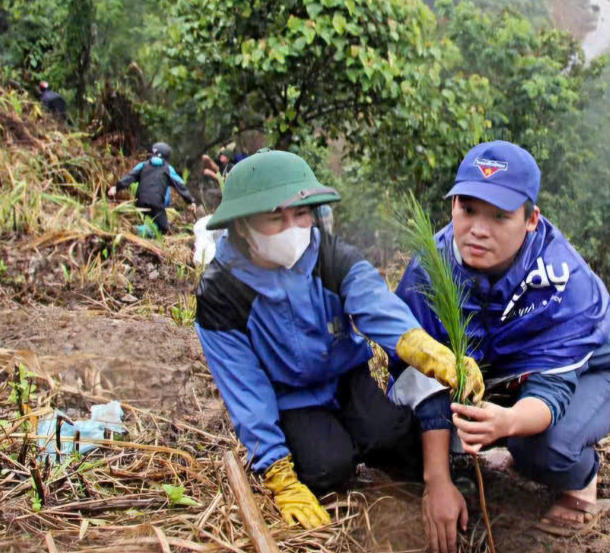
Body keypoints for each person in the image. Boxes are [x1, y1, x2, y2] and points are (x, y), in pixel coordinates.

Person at [194, 150, 483, 529]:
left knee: (389, 434)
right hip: (288, 397)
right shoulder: (221, 294)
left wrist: (430, 352)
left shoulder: (330, 258)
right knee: (328, 468)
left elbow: (377, 306)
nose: (293, 228)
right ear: (242, 225)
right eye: (275, 218)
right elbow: (245, 387)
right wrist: (277, 470)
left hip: (344, 376)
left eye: (300, 214)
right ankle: (322, 453)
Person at [392, 140, 610, 553]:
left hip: (594, 371)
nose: (478, 230)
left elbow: (550, 391)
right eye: (467, 210)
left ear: (530, 219)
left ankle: (582, 478)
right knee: (402, 431)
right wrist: (437, 480)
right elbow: (422, 375)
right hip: (503, 371)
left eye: (501, 216)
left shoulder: (561, 282)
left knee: (541, 448)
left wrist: (505, 424)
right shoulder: (431, 269)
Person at [108, 142, 196, 235]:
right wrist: (190, 201)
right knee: (163, 228)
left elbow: (129, 177)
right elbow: (180, 185)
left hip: (140, 202)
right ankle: (140, 230)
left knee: (150, 218)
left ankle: (141, 227)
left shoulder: (143, 165)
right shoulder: (168, 169)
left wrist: (116, 188)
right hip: (156, 204)